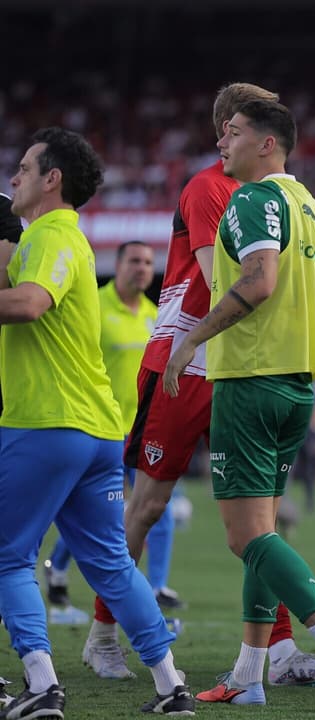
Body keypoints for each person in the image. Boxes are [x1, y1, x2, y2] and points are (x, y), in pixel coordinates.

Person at [87, 83, 315, 687]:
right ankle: (102, 633)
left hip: (242, 363)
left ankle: (280, 648)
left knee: (258, 519)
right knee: (148, 503)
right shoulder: (209, 188)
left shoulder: (275, 198)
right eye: (232, 128)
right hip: (183, 360)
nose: (229, 139)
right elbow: (219, 275)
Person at [161, 99, 315, 711]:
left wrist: (191, 338)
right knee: (263, 529)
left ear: (269, 143)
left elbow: (259, 279)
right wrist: (304, 348)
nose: (222, 139)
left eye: (235, 131)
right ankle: (249, 674)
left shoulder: (252, 199)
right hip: (297, 387)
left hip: (249, 383)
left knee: (243, 536)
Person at [0, 127, 194, 718]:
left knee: (8, 558)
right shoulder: (47, 238)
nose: (14, 177)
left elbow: (28, 303)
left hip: (47, 423)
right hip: (98, 432)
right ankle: (170, 684)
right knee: (110, 562)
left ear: (51, 179)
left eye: (25, 168)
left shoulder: (56, 234)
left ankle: (40, 685)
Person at [45, 241, 166, 624]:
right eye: (134, 260)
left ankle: (157, 588)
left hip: (143, 429)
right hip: (100, 427)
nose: (142, 268)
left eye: (148, 262)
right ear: (117, 265)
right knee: (99, 513)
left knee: (153, 509)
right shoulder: (94, 305)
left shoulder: (154, 314)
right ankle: (57, 565)